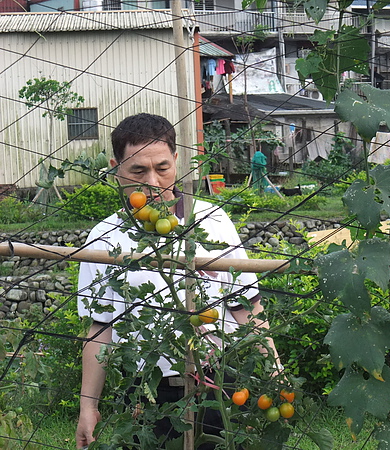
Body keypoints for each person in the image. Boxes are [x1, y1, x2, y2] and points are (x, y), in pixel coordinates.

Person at [75, 113, 282, 449]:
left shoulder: (213, 221)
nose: (153, 183)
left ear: (176, 159)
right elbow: (101, 328)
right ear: (116, 169)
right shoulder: (104, 237)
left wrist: (275, 373)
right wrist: (88, 405)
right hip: (146, 393)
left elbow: (248, 308)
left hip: (217, 386)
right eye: (138, 172)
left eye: (162, 168)